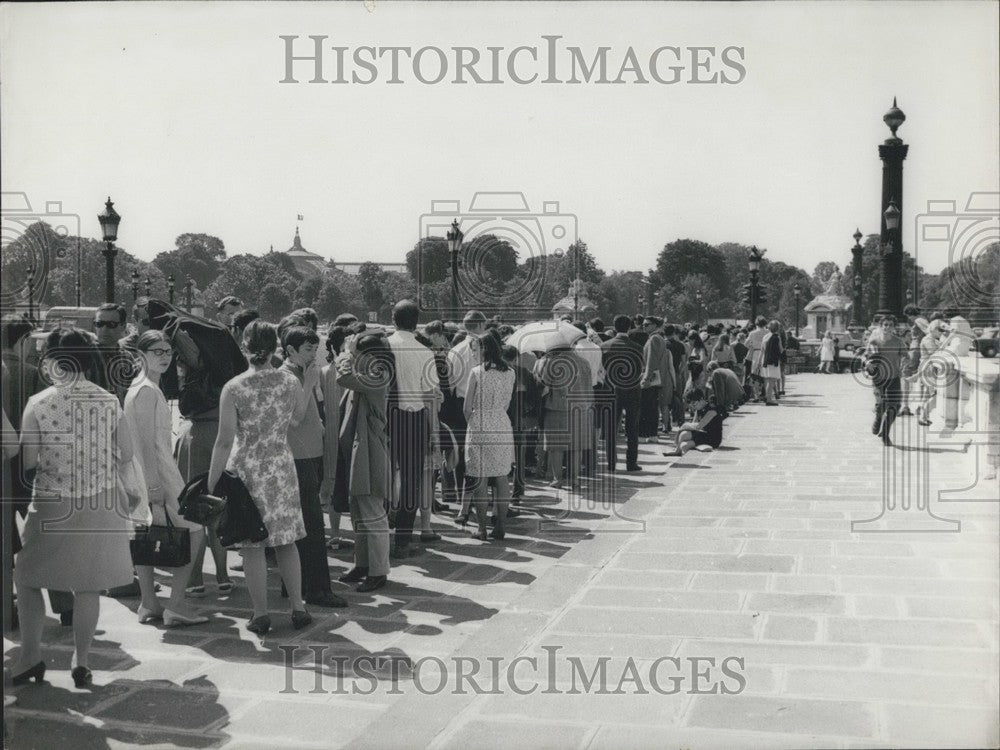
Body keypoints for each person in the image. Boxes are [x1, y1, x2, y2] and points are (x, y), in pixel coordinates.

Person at [11, 328, 134, 688]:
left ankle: (30, 656)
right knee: (88, 586)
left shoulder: (39, 402)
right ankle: (82, 660)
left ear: (53, 360)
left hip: (52, 501)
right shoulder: (109, 401)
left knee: (26, 577)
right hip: (101, 499)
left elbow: (28, 460)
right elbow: (127, 453)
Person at [206, 320, 312, 635]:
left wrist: (212, 480)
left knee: (252, 545)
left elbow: (224, 440)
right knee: (286, 541)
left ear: (244, 346)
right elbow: (297, 419)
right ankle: (298, 607)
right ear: (276, 346)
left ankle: (261, 613)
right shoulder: (289, 381)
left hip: (247, 468)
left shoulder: (234, 387)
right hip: (280, 465)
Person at [124, 331, 209, 627]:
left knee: (146, 536)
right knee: (195, 530)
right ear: (141, 354)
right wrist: (154, 485)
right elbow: (146, 443)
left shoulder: (141, 387)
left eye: (168, 351)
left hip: (144, 473)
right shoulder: (147, 390)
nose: (164, 357)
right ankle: (176, 604)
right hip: (156, 472)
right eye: (156, 351)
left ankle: (149, 603)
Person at [281, 325, 347, 608]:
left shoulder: (304, 373)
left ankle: (298, 585)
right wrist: (308, 383)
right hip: (298, 457)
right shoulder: (288, 376)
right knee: (311, 525)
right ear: (290, 350)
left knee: (306, 524)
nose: (313, 355)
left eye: (315, 349)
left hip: (309, 453)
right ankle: (316, 589)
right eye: (308, 349)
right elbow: (293, 417)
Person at [335, 332, 393, 592]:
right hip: (359, 449)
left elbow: (343, 377)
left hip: (370, 450)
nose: (353, 357)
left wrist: (346, 354)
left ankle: (378, 571)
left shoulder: (378, 373)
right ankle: (363, 564)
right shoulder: (370, 372)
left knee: (373, 514)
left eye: (357, 354)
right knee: (359, 513)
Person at [385, 300, 441, 559]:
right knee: (411, 482)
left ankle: (380, 536)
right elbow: (429, 395)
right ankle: (403, 540)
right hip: (415, 418)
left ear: (393, 319)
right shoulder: (424, 352)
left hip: (385, 418)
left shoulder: (383, 346)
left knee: (384, 478)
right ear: (416, 322)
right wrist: (433, 431)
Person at [463, 331, 516, 540]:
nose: (474, 353)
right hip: (501, 422)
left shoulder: (476, 372)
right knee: (502, 477)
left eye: (476, 349)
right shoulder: (510, 372)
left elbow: (466, 407)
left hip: (480, 423)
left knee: (480, 478)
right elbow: (507, 403)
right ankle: (500, 525)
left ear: (484, 349)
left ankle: (482, 528)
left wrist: (473, 423)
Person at [600, 315, 643, 473]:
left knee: (610, 428)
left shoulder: (605, 346)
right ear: (630, 327)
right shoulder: (637, 347)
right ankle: (631, 462)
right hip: (632, 389)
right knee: (632, 428)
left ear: (614, 326)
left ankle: (611, 463)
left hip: (611, 390)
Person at [863, 315, 908, 446]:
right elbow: (865, 357)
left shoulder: (898, 342)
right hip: (879, 379)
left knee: (895, 406)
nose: (887, 327)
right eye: (885, 325)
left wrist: (904, 363)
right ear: (881, 326)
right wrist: (867, 363)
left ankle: (885, 434)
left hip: (894, 378)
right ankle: (878, 417)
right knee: (881, 404)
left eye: (890, 325)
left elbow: (906, 357)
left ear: (894, 327)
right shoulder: (875, 342)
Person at [92, 303, 136, 403]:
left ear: (123, 326)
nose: (104, 329)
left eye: (111, 324)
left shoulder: (127, 358)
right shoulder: (85, 357)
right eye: (99, 324)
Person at [639, 316, 673, 443]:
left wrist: (646, 378)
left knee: (645, 407)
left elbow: (651, 360)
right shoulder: (659, 338)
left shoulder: (654, 339)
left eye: (647, 324)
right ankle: (652, 434)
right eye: (643, 324)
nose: (644, 326)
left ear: (655, 325)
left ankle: (643, 435)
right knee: (652, 407)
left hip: (651, 378)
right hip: (657, 377)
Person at [662, 388, 725, 457]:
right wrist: (684, 428)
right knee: (684, 439)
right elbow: (693, 426)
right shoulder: (698, 409)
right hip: (703, 434)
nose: (693, 406)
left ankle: (679, 451)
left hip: (713, 438)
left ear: (701, 399)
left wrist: (684, 426)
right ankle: (678, 451)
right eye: (691, 405)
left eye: (694, 403)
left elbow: (699, 426)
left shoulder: (712, 409)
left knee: (684, 442)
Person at [745, 317, 769, 402]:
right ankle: (766, 394)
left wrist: (752, 345)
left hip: (756, 353)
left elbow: (746, 344)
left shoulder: (752, 333)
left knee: (755, 376)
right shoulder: (768, 332)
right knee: (765, 375)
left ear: (756, 324)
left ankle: (756, 396)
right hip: (765, 354)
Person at [762, 320, 783, 405]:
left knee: (767, 380)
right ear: (777, 328)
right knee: (772, 380)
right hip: (773, 361)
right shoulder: (777, 337)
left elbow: (762, 349)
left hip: (765, 360)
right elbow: (780, 350)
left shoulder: (765, 337)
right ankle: (769, 399)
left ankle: (767, 397)